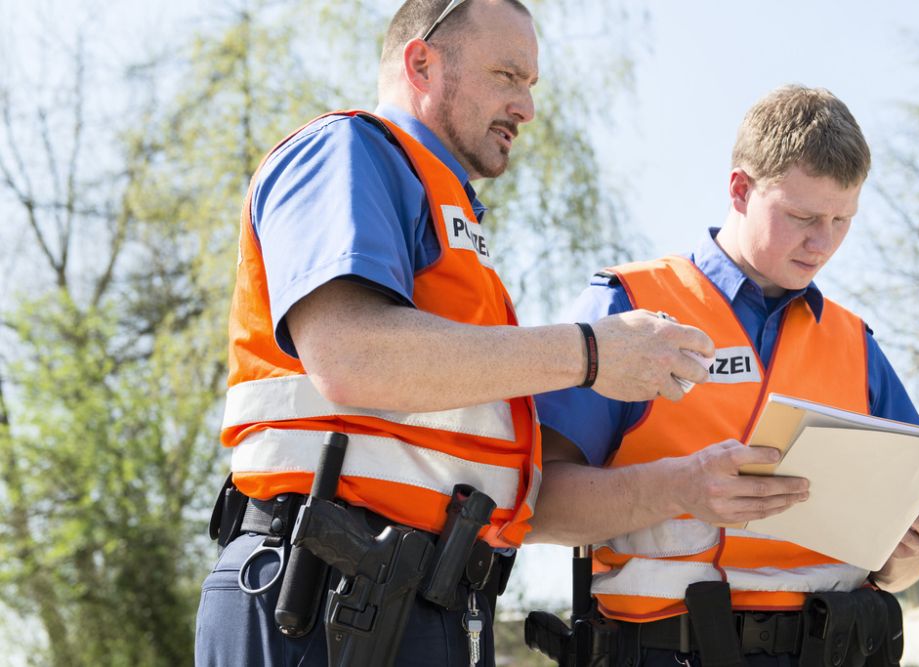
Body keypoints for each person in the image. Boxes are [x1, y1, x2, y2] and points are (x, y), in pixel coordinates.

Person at [194, 1, 717, 665]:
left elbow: (517, 493)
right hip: (322, 599)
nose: (526, 107)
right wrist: (589, 352)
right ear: (422, 62)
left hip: (410, 603)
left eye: (531, 85)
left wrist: (688, 483)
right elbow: (351, 356)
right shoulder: (347, 151)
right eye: (508, 75)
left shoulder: (449, 223)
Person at [527, 85, 919, 666]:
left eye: (842, 219)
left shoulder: (856, 344)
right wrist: (677, 489)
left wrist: (910, 550)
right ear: (740, 189)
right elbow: (533, 504)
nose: (823, 243)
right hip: (666, 650)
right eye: (803, 216)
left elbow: (901, 569)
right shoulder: (628, 308)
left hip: (838, 647)